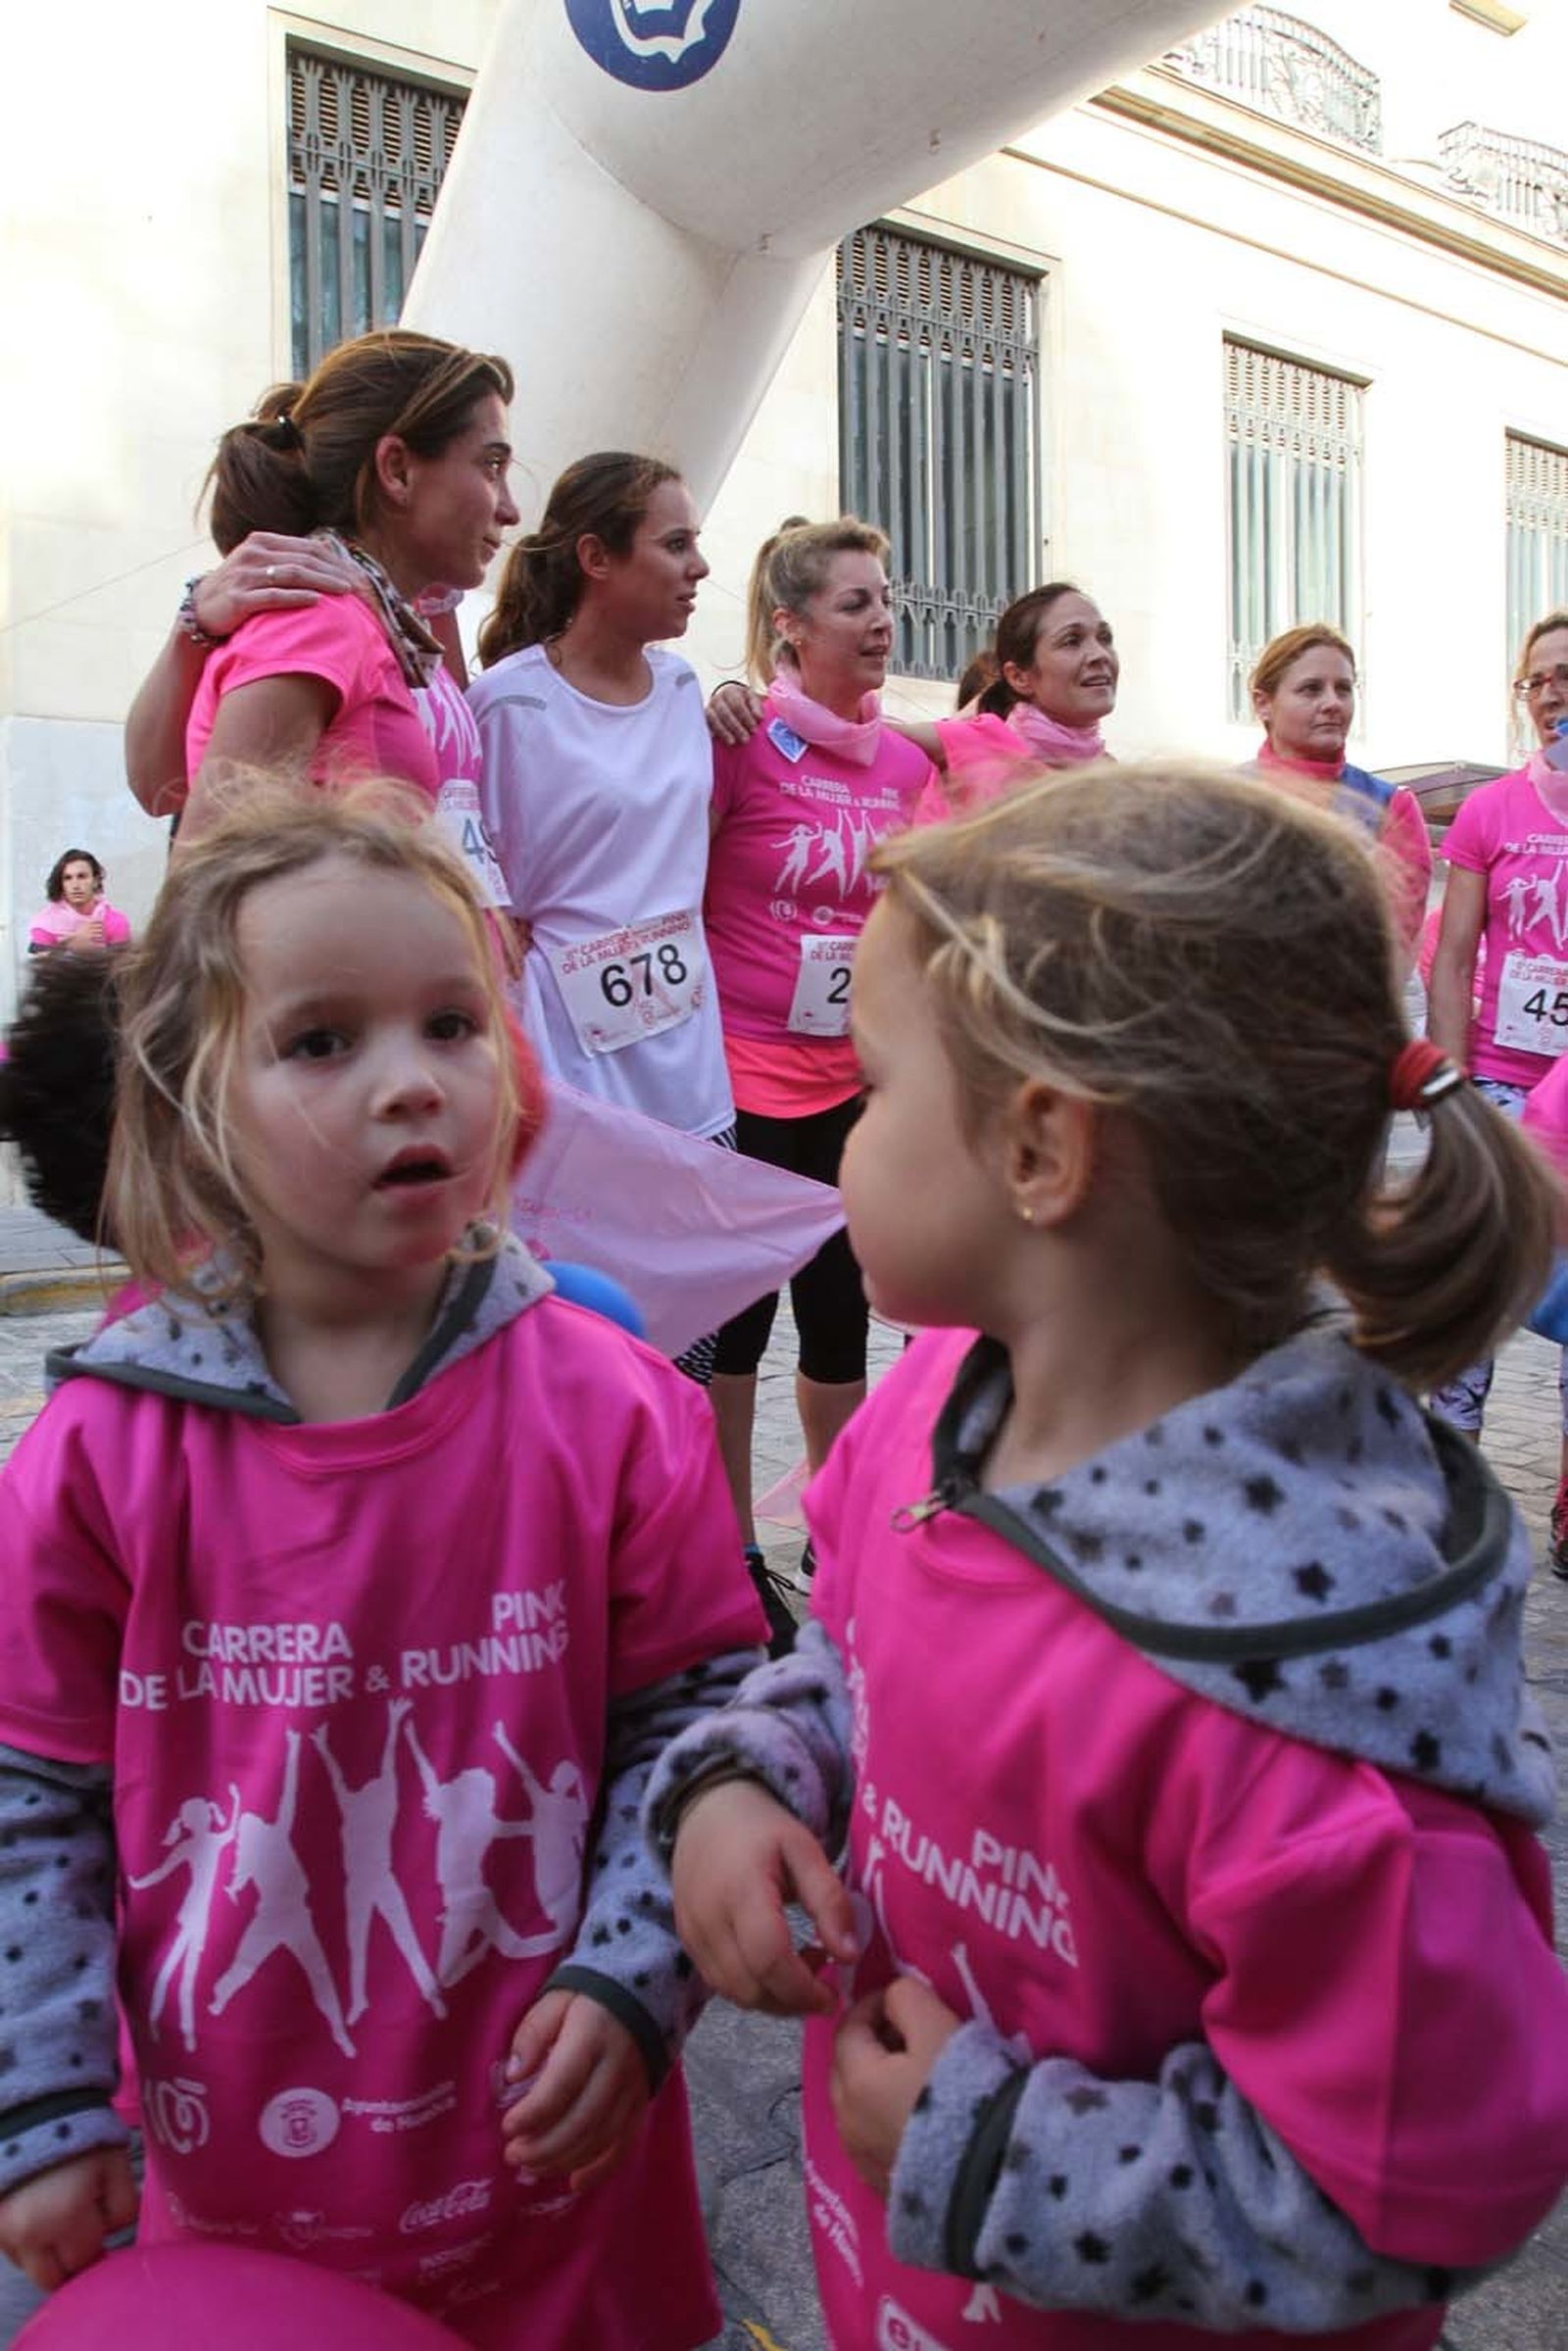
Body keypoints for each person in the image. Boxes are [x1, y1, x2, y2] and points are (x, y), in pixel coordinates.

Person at [649, 763, 1568, 2347]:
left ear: (1042, 1149)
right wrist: (748, 1774)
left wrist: (986, 2146)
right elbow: (843, 1658)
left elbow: (1414, 2183)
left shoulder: (1301, 1683)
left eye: (874, 1090)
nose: (842, 1137)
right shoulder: (939, 1396)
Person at [0, 783, 765, 2345]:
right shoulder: (97, 1453)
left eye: (450, 1023)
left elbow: (695, 1732)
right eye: (322, 1040)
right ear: (188, 1097)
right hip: (230, 2176)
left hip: (559, 2156)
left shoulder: (617, 1412)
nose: (413, 1083)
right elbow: (32, 1795)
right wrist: (47, 2093)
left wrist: (636, 1977)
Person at [704, 519, 934, 1628]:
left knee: (839, 1315)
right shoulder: (734, 736)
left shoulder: (904, 761)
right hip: (740, 1074)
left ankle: (834, 1542)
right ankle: (731, 1547)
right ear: (789, 625)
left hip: (852, 1079)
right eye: (853, 603)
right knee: (737, 1326)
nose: (881, 620)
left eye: (883, 599)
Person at [468, 454, 736, 1387]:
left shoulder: (684, 691)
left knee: (685, 1362)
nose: (699, 566)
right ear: (595, 557)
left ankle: (678, 1531)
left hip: (693, 1085)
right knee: (582, 1365)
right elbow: (489, 907)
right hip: (577, 1090)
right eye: (675, 543)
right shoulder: (509, 703)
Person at [127, 329, 518, 906]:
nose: (509, 508)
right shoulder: (320, 616)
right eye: (490, 466)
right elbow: (208, 896)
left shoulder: (388, 625)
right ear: (397, 470)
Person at [1428, 607, 1568, 1566]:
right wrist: (1447, 1085)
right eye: (1540, 677)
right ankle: (1448, 1487)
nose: (1554, 689)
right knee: (1472, 1299)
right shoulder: (1490, 811)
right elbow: (1451, 957)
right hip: (1502, 1084)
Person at [708, 578, 1118, 822]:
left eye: (1104, 637)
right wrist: (744, 702)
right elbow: (844, 731)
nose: (1098, 654)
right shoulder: (981, 741)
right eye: (1071, 641)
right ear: (1018, 676)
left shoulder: (1113, 774)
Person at [1249, 623, 1430, 961]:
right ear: (1263, 704)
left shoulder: (1389, 806)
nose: (1332, 703)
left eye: (1343, 689)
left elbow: (1393, 940)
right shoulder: (1220, 798)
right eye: (1311, 689)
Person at [26, 851, 130, 955]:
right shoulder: (46, 923)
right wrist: (70, 945)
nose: (75, 885)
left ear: (96, 881)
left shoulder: (115, 921)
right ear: (61, 884)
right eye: (68, 878)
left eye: (82, 876)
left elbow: (120, 967)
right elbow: (44, 968)